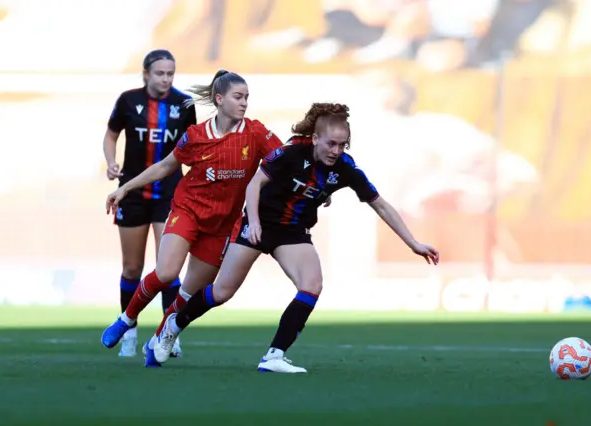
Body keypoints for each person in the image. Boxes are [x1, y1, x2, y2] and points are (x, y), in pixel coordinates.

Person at [150, 102, 440, 372]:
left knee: (312, 285)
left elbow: (381, 205)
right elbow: (254, 184)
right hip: (258, 223)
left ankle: (274, 355)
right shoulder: (290, 154)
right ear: (315, 138)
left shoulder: (346, 169)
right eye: (330, 143)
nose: (335, 151)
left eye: (342, 145)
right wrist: (252, 222)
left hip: (292, 232)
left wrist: (413, 243)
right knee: (222, 292)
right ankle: (173, 326)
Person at [100, 69, 315, 367]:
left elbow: (286, 160)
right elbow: (165, 167)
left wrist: (313, 184)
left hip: (222, 225)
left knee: (188, 294)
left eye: (247, 98)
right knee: (165, 273)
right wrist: (125, 188)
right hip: (187, 212)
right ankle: (127, 318)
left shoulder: (255, 133)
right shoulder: (196, 136)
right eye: (238, 97)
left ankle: (161, 338)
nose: (244, 104)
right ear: (219, 99)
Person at [103, 49, 196, 357]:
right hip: (133, 192)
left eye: (170, 73)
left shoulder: (184, 104)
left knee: (167, 267)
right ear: (146, 74)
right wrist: (110, 161)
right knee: (132, 267)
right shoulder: (128, 101)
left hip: (170, 195)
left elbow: (192, 148)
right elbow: (111, 134)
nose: (166, 78)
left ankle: (170, 333)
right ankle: (128, 330)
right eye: (160, 73)